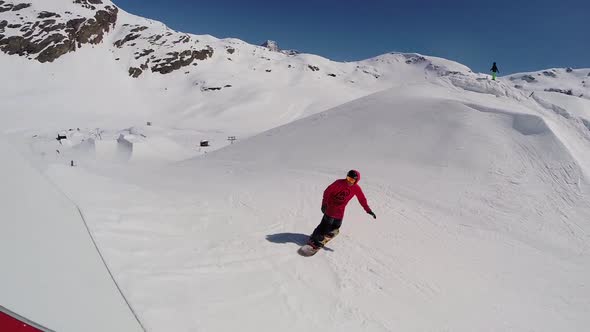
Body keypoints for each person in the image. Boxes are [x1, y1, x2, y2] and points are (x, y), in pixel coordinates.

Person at [308, 170, 376, 249]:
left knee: (336, 227)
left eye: (352, 180)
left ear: (356, 181)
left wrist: (368, 210)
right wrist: (324, 203)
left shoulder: (356, 188)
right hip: (330, 207)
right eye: (348, 178)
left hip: (340, 210)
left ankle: (325, 233)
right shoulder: (338, 183)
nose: (349, 181)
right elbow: (327, 192)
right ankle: (315, 238)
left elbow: (362, 199)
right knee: (326, 224)